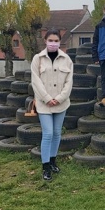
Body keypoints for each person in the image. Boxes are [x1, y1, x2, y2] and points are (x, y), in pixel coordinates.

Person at [31, 30, 73, 181]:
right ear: (45, 41)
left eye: (56, 40)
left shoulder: (67, 59)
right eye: (51, 40)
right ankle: (45, 167)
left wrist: (60, 98)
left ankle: (53, 161)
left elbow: (69, 82)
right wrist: (47, 98)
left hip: (61, 103)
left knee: (56, 133)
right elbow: (35, 81)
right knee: (47, 134)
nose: (53, 43)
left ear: (60, 41)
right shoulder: (38, 59)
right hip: (44, 104)